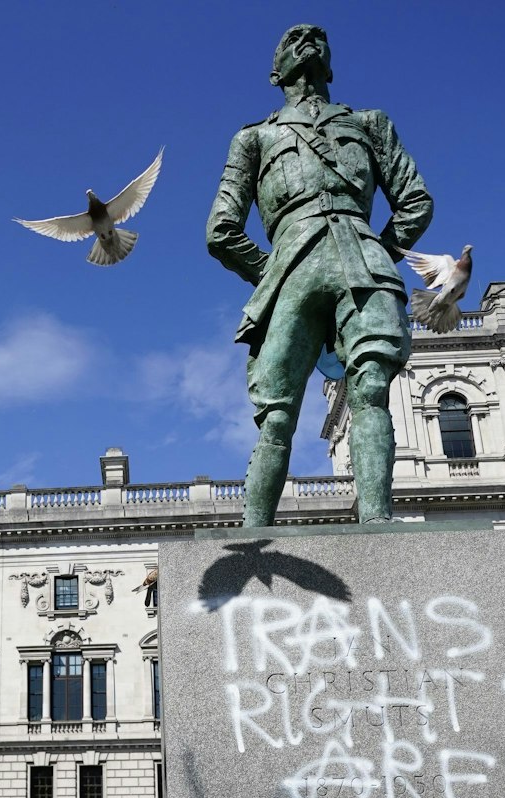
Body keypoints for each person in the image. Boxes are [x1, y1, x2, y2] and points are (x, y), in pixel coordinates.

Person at [205, 23, 433, 526]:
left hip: (365, 263)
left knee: (370, 387)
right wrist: (273, 273)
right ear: (275, 72)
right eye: (291, 42)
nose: (306, 40)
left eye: (316, 40)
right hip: (289, 272)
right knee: (277, 415)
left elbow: (414, 200)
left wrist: (378, 251)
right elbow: (220, 230)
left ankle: (377, 523)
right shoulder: (253, 139)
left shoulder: (370, 123)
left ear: (329, 64)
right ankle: (253, 538)